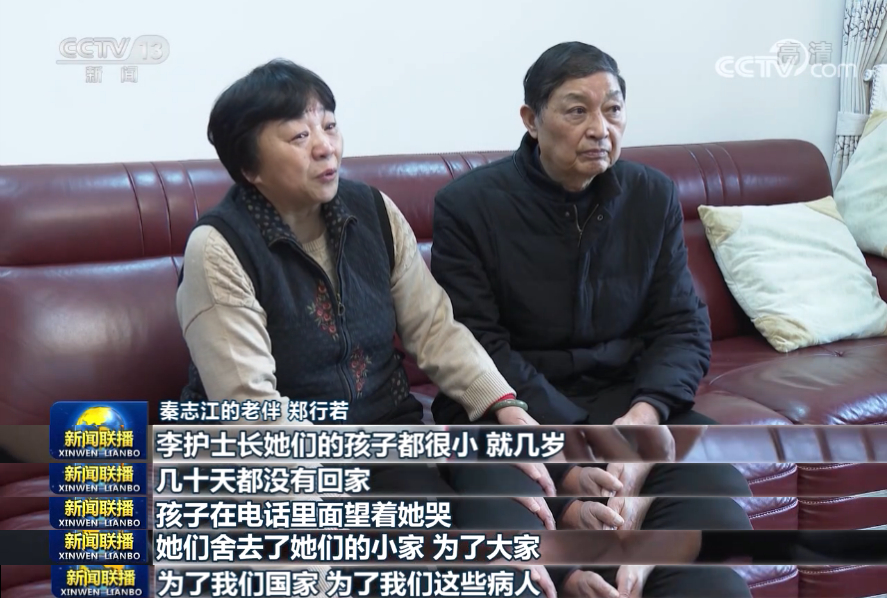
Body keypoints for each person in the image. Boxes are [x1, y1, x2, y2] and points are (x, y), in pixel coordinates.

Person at [174, 58, 560, 597]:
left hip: (385, 446)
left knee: (499, 567)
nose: (325, 147)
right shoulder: (219, 247)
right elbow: (250, 409)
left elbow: (434, 327)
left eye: (330, 126)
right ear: (249, 168)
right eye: (299, 136)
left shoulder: (372, 211)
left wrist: (503, 404)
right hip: (275, 469)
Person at [429, 42, 754, 597]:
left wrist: (644, 417)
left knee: (721, 497)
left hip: (625, 402)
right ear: (531, 120)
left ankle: (639, 558)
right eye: (577, 110)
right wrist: (578, 442)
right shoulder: (468, 205)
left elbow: (682, 325)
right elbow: (477, 346)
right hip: (514, 413)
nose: (600, 129)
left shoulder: (651, 195)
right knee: (504, 535)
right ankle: (581, 561)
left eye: (613, 110)